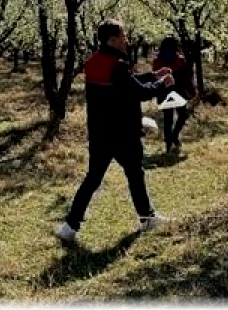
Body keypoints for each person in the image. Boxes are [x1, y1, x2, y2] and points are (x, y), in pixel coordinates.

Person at [54, 19, 175, 245]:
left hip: (100, 132)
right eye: (123, 36)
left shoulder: (93, 62)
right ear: (113, 39)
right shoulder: (117, 64)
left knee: (94, 178)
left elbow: (125, 84)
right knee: (135, 173)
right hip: (123, 132)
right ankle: (147, 217)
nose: (127, 40)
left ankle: (69, 227)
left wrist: (153, 75)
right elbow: (137, 93)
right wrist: (163, 83)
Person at [152, 36, 195, 154]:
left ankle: (168, 144)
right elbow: (186, 78)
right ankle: (175, 136)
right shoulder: (180, 60)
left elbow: (154, 78)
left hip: (163, 92)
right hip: (178, 92)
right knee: (183, 115)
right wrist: (192, 91)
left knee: (168, 119)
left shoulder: (157, 61)